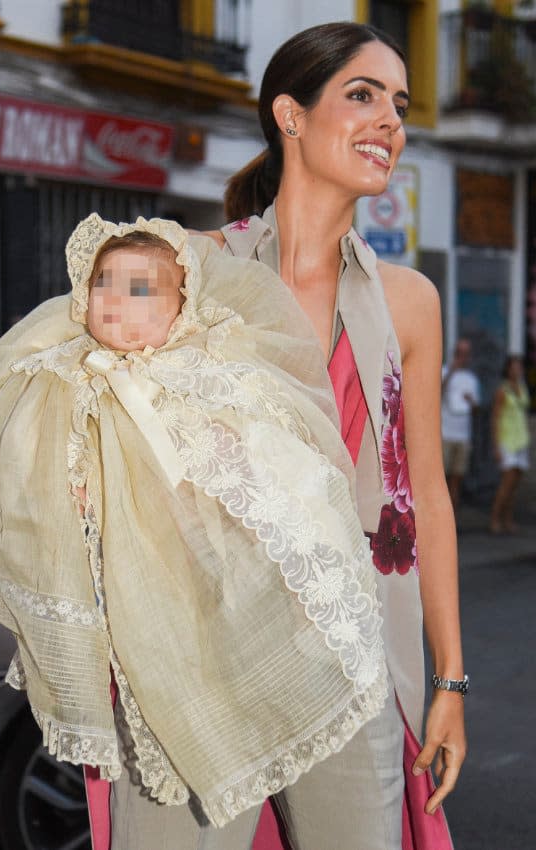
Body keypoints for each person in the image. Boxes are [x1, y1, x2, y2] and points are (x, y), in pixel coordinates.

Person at [0, 215, 390, 848]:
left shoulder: (221, 368)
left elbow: (295, 484)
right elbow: (38, 501)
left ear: (183, 302)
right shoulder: (66, 386)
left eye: (142, 289)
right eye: (104, 282)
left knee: (347, 828)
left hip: (284, 633)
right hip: (170, 656)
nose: (115, 299)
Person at [199, 21, 466, 850]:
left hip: (353, 654)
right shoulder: (196, 271)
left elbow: (423, 490)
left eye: (399, 103)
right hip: (210, 653)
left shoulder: (409, 300)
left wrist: (450, 678)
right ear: (290, 114)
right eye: (362, 94)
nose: (390, 119)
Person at [490, 355, 531, 534]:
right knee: (506, 483)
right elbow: (495, 418)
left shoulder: (522, 387)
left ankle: (508, 520)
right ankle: (494, 519)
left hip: (521, 440)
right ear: (508, 369)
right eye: (514, 367)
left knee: (514, 484)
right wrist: (497, 445)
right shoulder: (502, 390)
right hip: (507, 440)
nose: (517, 370)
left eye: (519, 367)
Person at [441, 338, 481, 511]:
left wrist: (472, 403)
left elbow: (475, 409)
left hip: (462, 436)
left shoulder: (471, 379)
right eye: (459, 353)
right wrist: (451, 371)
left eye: (466, 354)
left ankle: (453, 521)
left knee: (457, 481)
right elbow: (436, 394)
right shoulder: (443, 371)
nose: (463, 357)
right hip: (445, 434)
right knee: (441, 481)